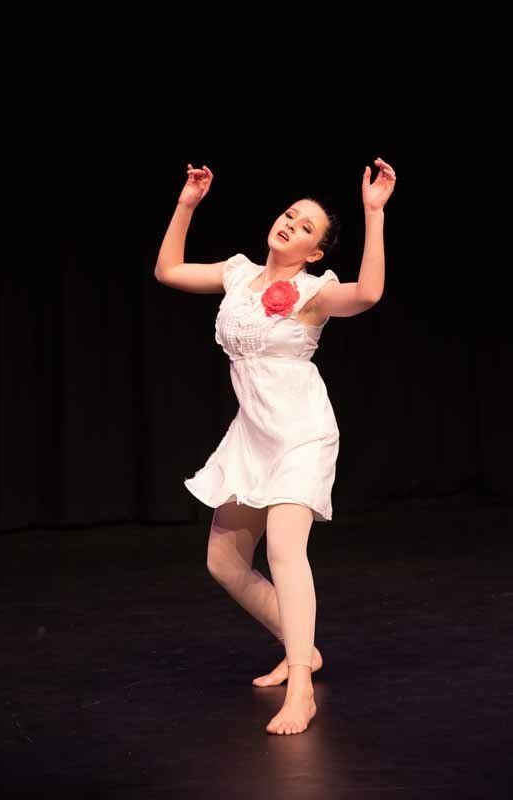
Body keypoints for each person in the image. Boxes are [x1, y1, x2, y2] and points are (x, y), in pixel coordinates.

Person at [155, 158, 397, 735]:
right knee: (224, 562)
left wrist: (374, 214)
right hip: (252, 433)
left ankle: (301, 687)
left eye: (305, 226)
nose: (290, 223)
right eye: (290, 214)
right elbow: (167, 271)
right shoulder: (238, 273)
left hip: (300, 432)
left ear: (315, 252)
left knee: (286, 551)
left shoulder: (316, 291)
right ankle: (301, 647)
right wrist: (187, 204)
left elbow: (369, 294)